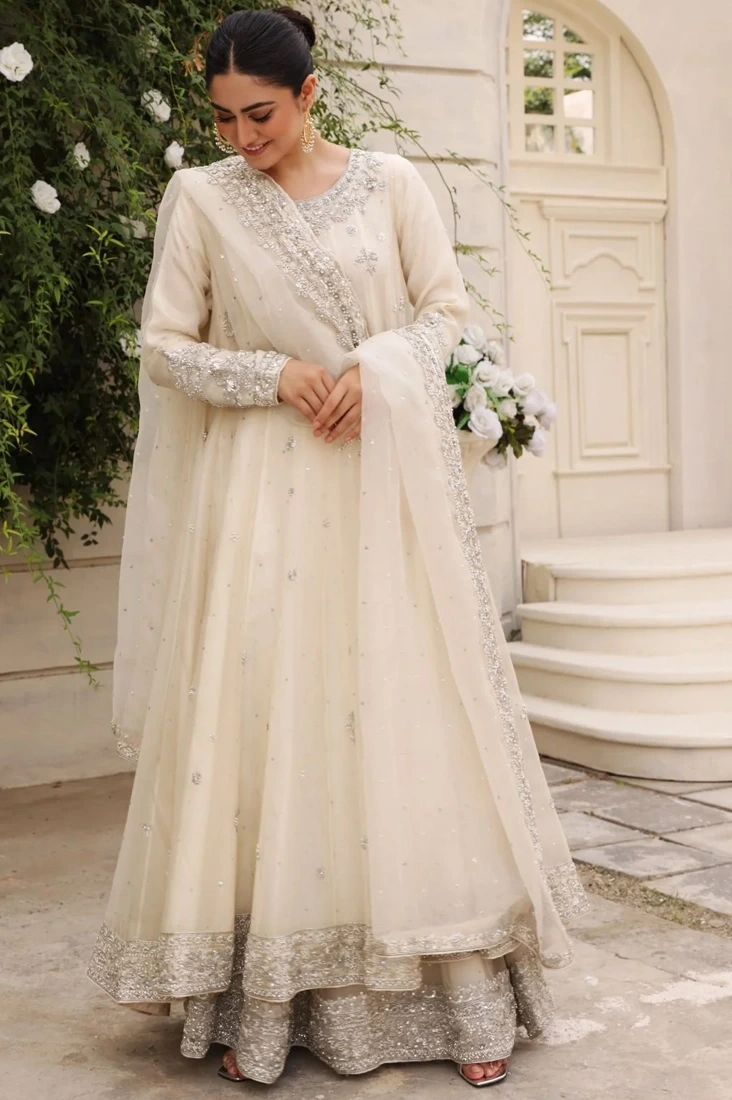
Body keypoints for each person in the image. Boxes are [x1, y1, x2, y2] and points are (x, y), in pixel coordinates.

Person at [87, 6, 588, 1088]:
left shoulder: (394, 183)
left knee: (405, 712)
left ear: (310, 94)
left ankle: (461, 991)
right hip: (257, 506)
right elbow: (164, 346)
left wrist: (376, 370)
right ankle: (262, 999)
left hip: (378, 492)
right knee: (271, 720)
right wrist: (272, 374)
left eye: (260, 115)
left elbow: (446, 314)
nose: (241, 138)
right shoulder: (202, 199)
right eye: (222, 118)